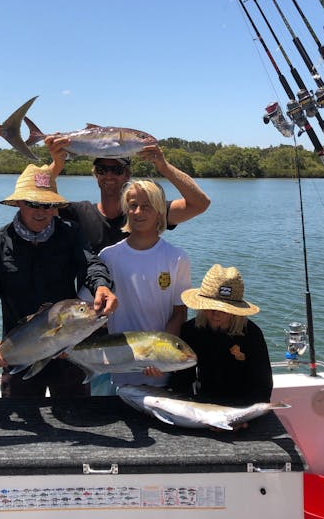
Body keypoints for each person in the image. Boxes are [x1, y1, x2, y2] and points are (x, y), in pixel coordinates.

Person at [0, 164, 117, 398]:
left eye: (47, 205)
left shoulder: (70, 233)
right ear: (18, 203)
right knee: (21, 425)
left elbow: (91, 264)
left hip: (68, 356)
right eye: (32, 204)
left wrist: (101, 285)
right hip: (19, 354)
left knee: (78, 420)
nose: (41, 212)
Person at [95, 179, 191, 392]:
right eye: (132, 205)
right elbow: (93, 312)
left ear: (159, 211)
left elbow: (179, 312)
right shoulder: (108, 256)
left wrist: (161, 357)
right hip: (118, 370)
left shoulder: (177, 258)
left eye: (146, 206)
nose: (138, 212)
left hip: (160, 372)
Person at [47, 137, 210, 254]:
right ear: (95, 174)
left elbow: (199, 204)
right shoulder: (77, 213)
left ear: (127, 175)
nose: (109, 175)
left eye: (117, 170)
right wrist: (57, 165)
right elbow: (36, 198)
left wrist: (164, 166)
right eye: (102, 170)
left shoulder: (146, 213)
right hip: (92, 300)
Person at [168, 264, 273, 406]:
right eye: (211, 307)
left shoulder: (252, 335)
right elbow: (182, 379)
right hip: (203, 402)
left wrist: (240, 417)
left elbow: (263, 388)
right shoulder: (190, 330)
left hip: (243, 403)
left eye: (223, 309)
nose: (216, 313)